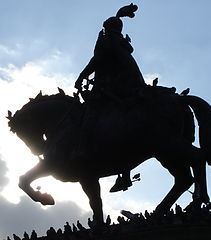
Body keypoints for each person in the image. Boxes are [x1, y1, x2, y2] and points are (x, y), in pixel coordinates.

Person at [75, 4, 145, 192]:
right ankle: (124, 173)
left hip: (110, 86)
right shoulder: (121, 42)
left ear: (108, 27)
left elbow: (96, 61)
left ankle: (82, 147)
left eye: (105, 26)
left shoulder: (107, 40)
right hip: (129, 85)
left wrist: (81, 76)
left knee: (91, 112)